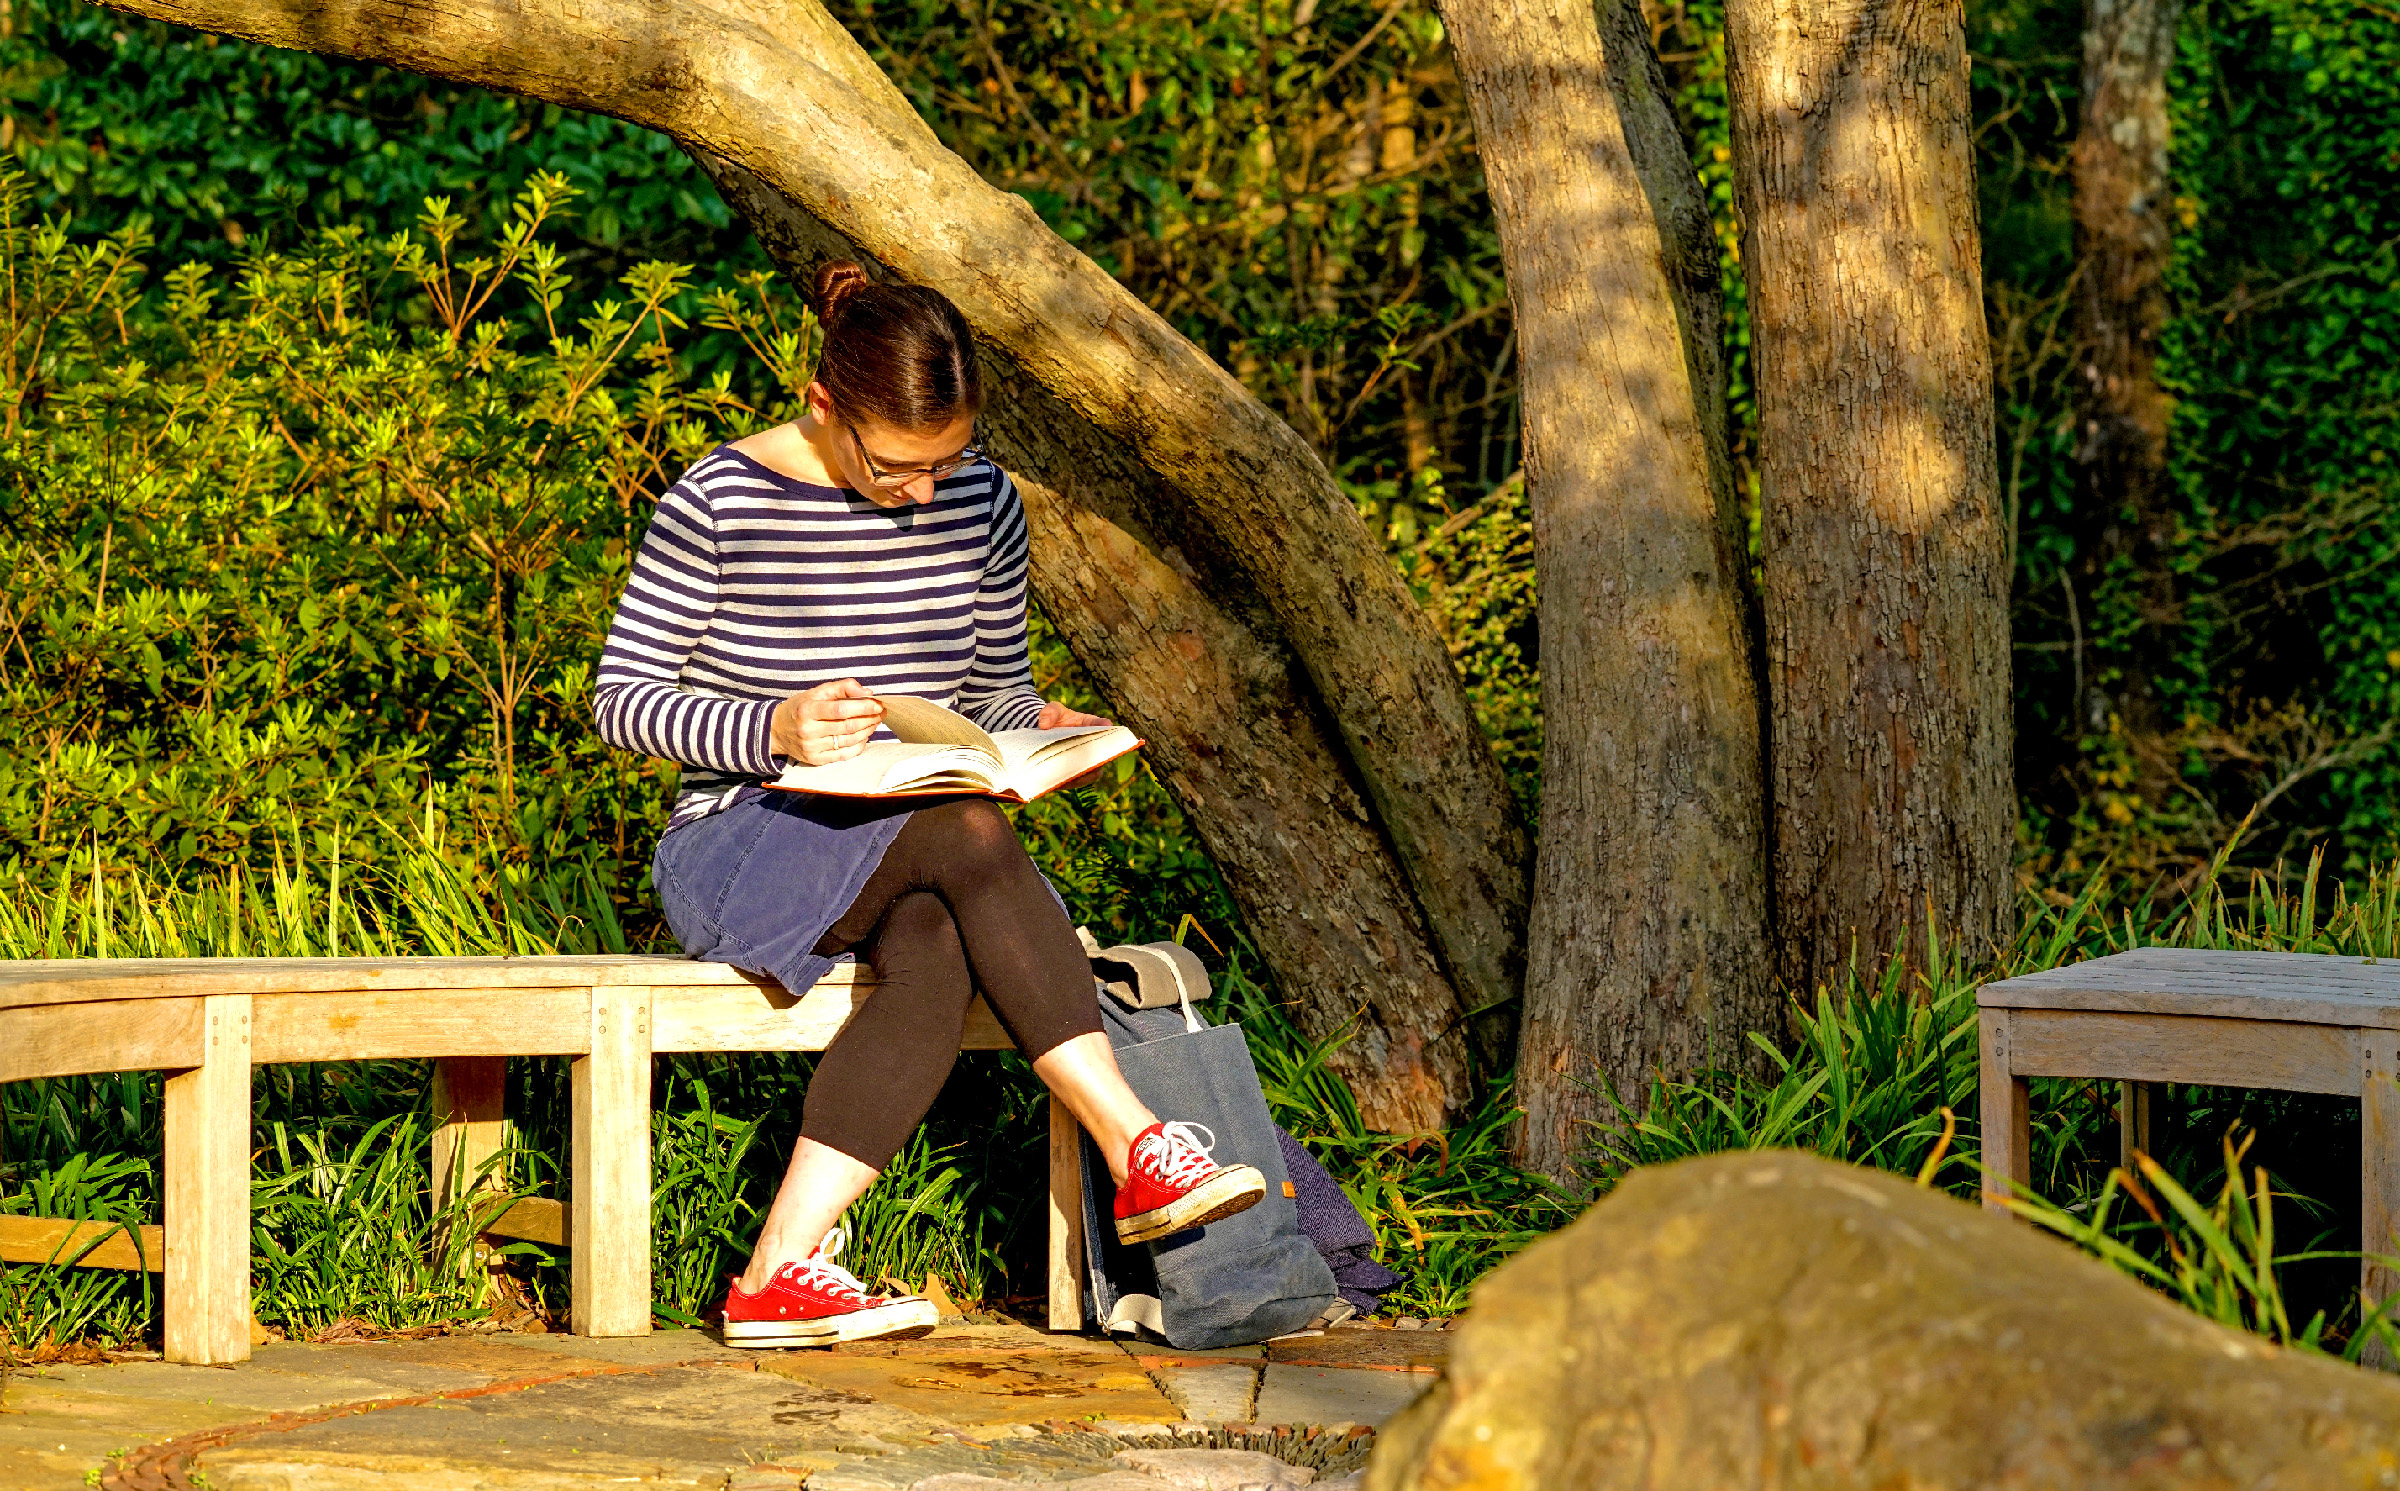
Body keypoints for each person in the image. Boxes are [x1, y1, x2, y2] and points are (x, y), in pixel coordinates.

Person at [591, 262, 1265, 1347]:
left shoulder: (984, 503)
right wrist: (771, 727)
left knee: (938, 941)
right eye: (898, 466)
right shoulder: (718, 501)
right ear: (824, 408)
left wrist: (1031, 724)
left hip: (913, 839)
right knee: (971, 835)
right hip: (742, 845)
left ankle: (777, 1271)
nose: (925, 492)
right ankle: (1136, 1142)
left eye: (948, 460)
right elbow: (620, 702)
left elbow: (989, 685)